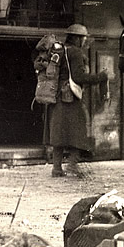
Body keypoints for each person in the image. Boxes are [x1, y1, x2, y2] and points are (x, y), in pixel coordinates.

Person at [37, 24, 108, 178]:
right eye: (83, 38)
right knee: (78, 132)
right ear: (77, 38)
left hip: (55, 97)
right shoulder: (75, 52)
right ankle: (72, 165)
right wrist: (100, 77)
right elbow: (78, 77)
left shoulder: (61, 50)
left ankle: (56, 168)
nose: (84, 41)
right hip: (69, 98)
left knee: (58, 133)